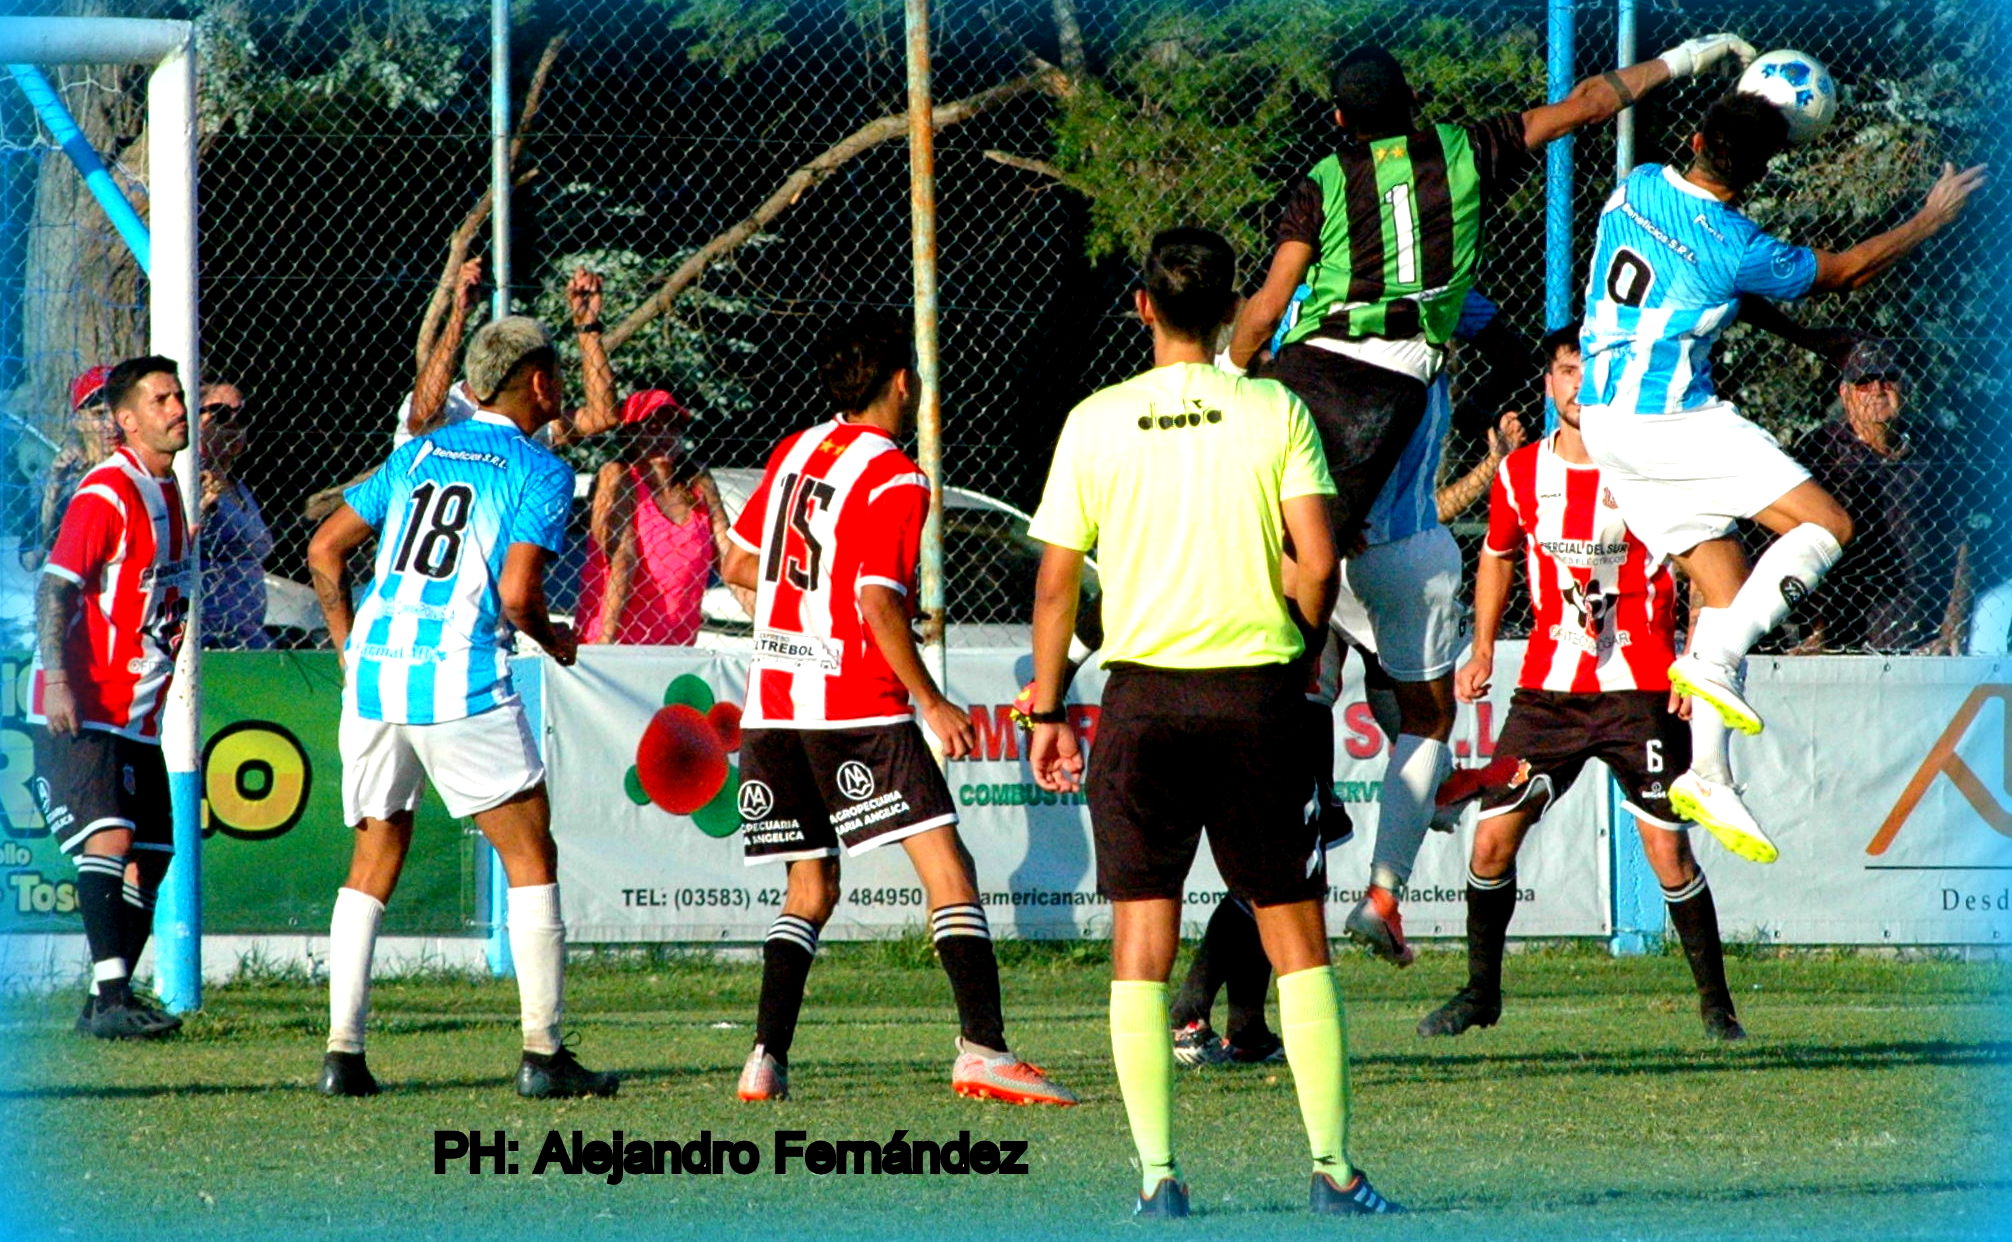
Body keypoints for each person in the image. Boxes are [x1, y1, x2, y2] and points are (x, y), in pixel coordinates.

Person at [1222, 35, 1751, 959]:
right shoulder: (1465, 157)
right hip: (1382, 432)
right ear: (1413, 105)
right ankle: (1359, 858)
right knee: (1382, 680)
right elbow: (1591, 101)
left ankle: (1307, 800)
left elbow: (1266, 308)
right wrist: (1689, 56)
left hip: (1301, 389)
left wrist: (1227, 380)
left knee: (1296, 631)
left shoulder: (1320, 180)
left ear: (1340, 120)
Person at [1028, 227, 1398, 1218]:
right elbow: (1316, 564)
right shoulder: (1273, 408)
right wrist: (1303, 646)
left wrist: (1045, 710)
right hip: (1253, 701)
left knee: (1139, 946)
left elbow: (1057, 585)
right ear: (1233, 307)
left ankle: (1157, 1179)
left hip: (1141, 702)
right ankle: (1332, 1171)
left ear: (1141, 307)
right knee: (1295, 942)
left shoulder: (1095, 421)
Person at [1576, 91, 1986, 861]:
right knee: (1826, 524)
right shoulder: (1738, 242)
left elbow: (1717, 286)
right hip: (1671, 418)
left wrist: (1805, 337)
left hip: (1604, 421)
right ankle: (1712, 662)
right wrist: (1931, 218)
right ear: (1763, 172)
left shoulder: (1635, 187)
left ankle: (1706, 773)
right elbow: (1847, 271)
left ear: (1694, 140)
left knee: (1725, 582)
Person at [720, 310, 1074, 1109]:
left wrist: (795, 617)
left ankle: (763, 1059)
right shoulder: (897, 476)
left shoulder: (793, 449)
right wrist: (934, 701)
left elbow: (739, 560)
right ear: (905, 383)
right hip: (856, 704)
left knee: (809, 888)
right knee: (950, 871)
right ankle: (983, 1049)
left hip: (773, 704)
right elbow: (876, 601)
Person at [306, 316, 616, 1100]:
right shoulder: (537, 470)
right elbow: (516, 596)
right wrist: (555, 639)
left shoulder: (415, 454)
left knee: (372, 861)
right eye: (556, 378)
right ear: (541, 384)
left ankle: (343, 1054)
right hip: (457, 676)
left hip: (376, 675)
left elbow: (323, 550)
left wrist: (349, 647)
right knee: (530, 854)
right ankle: (544, 1054)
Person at [1420, 328, 1743, 1042]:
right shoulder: (1520, 473)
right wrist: (1480, 648)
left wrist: (1696, 660)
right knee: (1491, 842)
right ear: (1548, 384)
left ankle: (1717, 1004)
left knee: (1669, 853)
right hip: (1548, 696)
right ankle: (1481, 994)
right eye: (1565, 373)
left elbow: (1704, 567)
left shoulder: (1649, 472)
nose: (1576, 386)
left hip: (1641, 690)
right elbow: (1498, 556)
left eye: (1588, 374)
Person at [27, 355, 193, 1039]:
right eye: (161, 399)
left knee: (153, 850)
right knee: (112, 835)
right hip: (85, 702)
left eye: (179, 395)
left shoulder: (169, 491)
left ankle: (107, 999)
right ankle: (113, 994)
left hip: (138, 711)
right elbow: (55, 586)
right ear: (126, 421)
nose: (178, 407)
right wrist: (60, 680)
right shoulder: (106, 492)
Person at [1790, 340, 1982, 654]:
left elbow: (1963, 539)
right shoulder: (1824, 448)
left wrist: (1953, 625)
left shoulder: (1936, 447)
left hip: (1920, 612)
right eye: (1863, 382)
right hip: (1844, 609)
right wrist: (1816, 632)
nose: (1878, 389)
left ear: (1905, 386)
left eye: (1888, 378)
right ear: (1846, 395)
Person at [578, 389, 741, 645]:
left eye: (672, 427)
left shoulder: (696, 480)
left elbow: (729, 555)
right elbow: (623, 559)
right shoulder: (619, 476)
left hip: (677, 645)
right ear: (629, 434)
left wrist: (767, 622)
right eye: (652, 427)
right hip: (619, 641)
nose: (664, 436)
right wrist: (604, 646)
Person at [196, 380, 273, 649]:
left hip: (248, 630)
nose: (233, 423)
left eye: (242, 416)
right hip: (208, 633)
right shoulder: (193, 481)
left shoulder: (239, 487)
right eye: (219, 413)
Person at [20, 365, 119, 572]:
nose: (112, 424)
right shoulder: (58, 479)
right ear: (79, 422)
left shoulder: (143, 468)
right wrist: (53, 492)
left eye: (117, 412)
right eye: (99, 414)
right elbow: (31, 560)